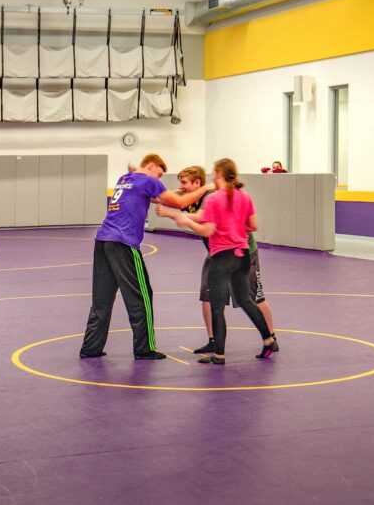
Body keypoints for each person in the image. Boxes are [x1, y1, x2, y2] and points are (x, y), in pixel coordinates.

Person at [80, 153, 194, 361]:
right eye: (158, 174)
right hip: (124, 243)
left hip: (103, 240)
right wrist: (206, 187)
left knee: (102, 300)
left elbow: (153, 195)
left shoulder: (125, 179)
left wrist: (138, 171)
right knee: (142, 296)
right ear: (151, 166)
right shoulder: (147, 180)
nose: (158, 180)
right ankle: (144, 348)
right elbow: (178, 203)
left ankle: (90, 347)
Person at [159, 165, 277, 356]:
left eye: (184, 183)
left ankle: (270, 336)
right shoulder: (201, 195)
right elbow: (168, 197)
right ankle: (216, 341)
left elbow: (204, 222)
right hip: (217, 251)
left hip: (240, 249)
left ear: (200, 182)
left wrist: (180, 216)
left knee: (253, 297)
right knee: (209, 296)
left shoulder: (210, 197)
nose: (181, 187)